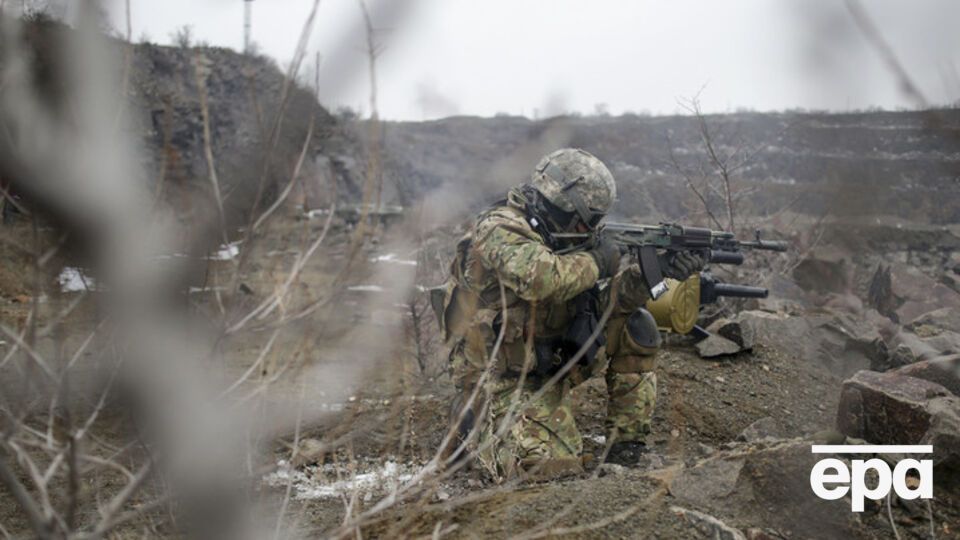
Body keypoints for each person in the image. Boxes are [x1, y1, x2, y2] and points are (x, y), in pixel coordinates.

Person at [435, 148, 704, 481]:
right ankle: (469, 423)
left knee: (637, 325)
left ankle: (626, 446)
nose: (592, 227)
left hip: (553, 352)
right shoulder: (498, 228)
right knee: (546, 472)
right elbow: (542, 280)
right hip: (500, 374)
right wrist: (599, 260)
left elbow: (608, 301)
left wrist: (656, 271)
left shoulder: (564, 234)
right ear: (561, 206)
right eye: (589, 218)